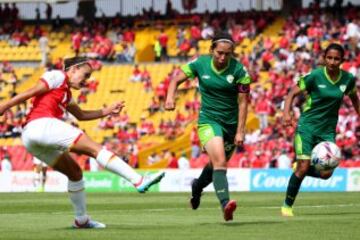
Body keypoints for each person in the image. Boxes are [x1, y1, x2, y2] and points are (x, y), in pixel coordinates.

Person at [0, 56, 165, 229]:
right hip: (41, 125)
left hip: (31, 138)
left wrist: (106, 111)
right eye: (85, 75)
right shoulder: (57, 76)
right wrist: (5, 105)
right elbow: (31, 91)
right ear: (73, 70)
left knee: (75, 173)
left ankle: (82, 220)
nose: (87, 81)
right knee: (95, 149)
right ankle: (138, 180)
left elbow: (81, 115)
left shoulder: (66, 93)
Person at [165, 33, 251, 221]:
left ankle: (197, 187)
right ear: (211, 49)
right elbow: (175, 80)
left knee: (215, 166)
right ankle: (225, 204)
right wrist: (170, 97)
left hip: (231, 124)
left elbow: (243, 103)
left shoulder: (240, 71)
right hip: (208, 121)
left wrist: (240, 130)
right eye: (219, 53)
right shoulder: (200, 63)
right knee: (220, 160)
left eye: (227, 54)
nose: (222, 58)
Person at [281, 43, 360, 217]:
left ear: (342, 60)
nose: (332, 61)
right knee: (302, 168)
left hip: (327, 131)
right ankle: (287, 206)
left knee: (326, 174)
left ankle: (302, 167)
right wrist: (286, 114)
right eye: (329, 58)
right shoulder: (315, 76)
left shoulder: (347, 79)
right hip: (307, 127)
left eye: (336, 59)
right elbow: (291, 93)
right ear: (324, 58)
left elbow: (354, 98)